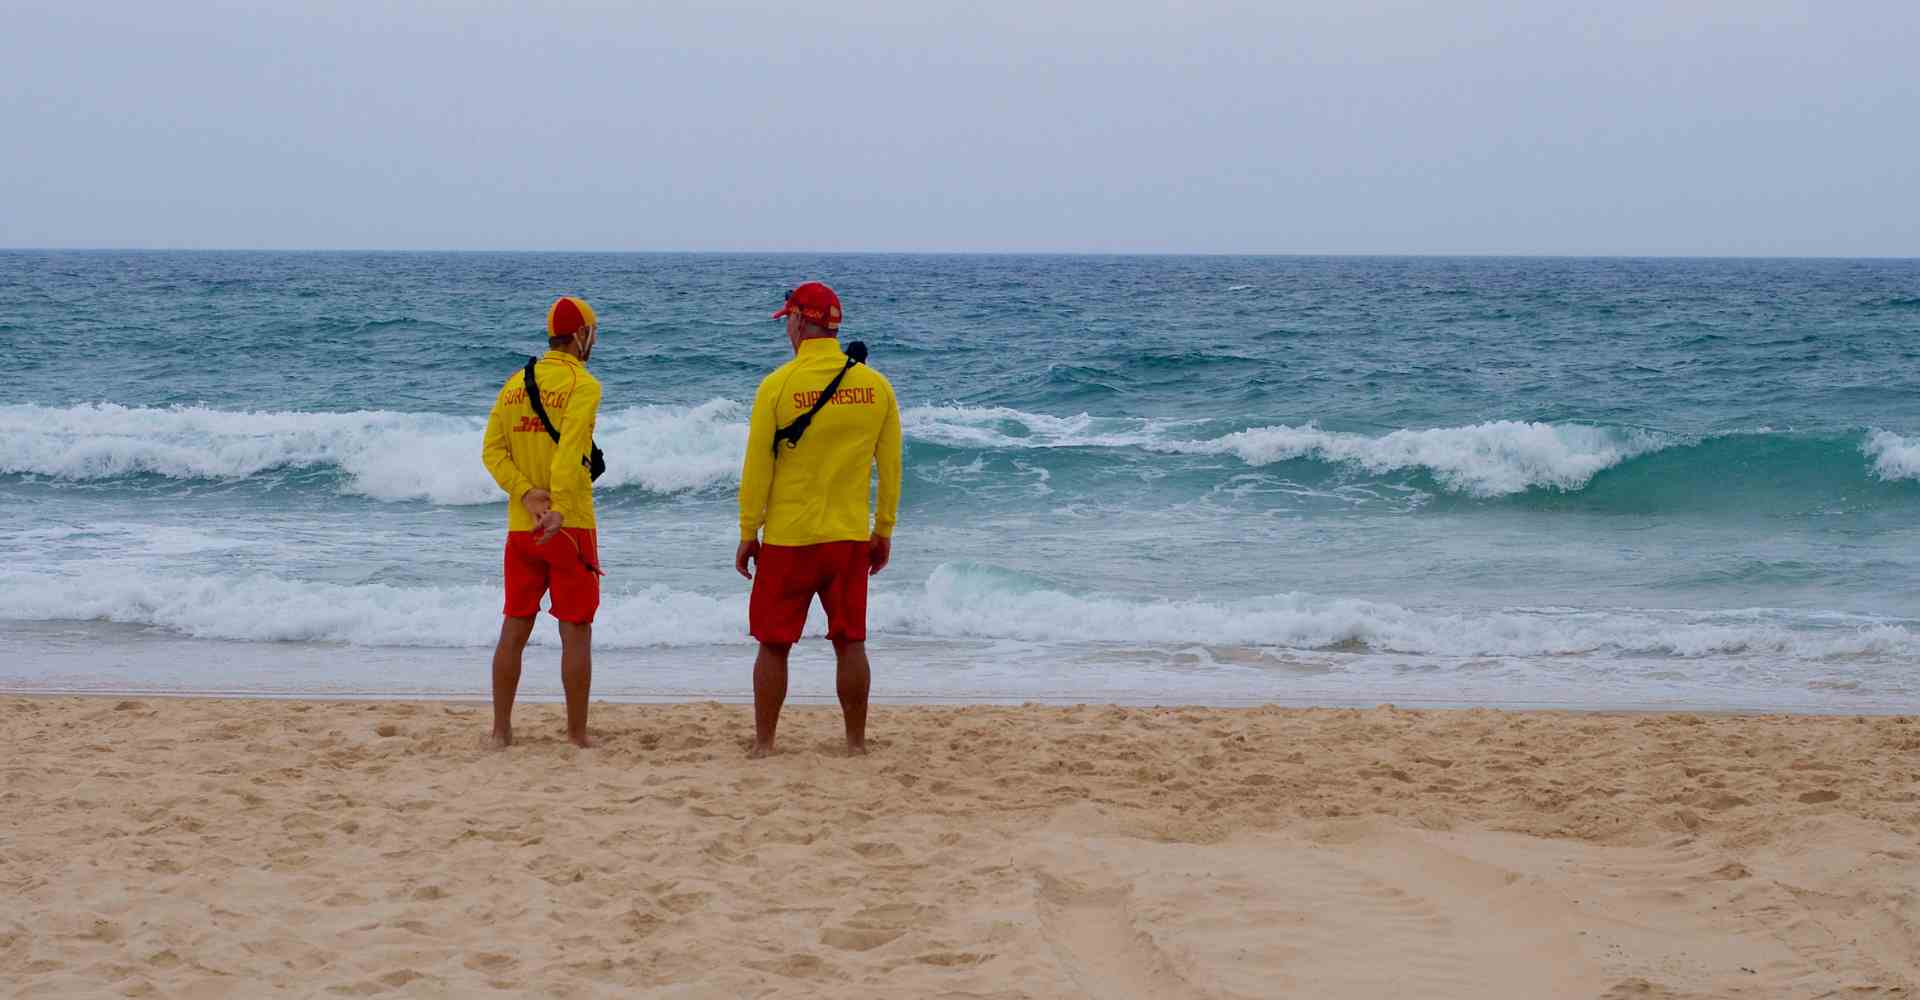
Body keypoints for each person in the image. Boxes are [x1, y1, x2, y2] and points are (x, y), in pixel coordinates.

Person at [736, 282, 902, 758]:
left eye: (787, 319)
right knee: (850, 641)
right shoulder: (876, 387)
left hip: (790, 539)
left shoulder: (777, 385)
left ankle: (765, 744)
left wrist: (749, 531)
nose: (786, 328)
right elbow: (890, 469)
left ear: (800, 322)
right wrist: (883, 530)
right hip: (848, 538)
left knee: (773, 644)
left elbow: (757, 469)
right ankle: (854, 744)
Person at [480, 295, 605, 749]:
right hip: (568, 526)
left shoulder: (515, 382)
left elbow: (491, 450)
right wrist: (558, 510)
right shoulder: (584, 384)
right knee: (575, 628)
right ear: (579, 337)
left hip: (521, 527)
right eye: (593, 333)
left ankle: (500, 732)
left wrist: (526, 493)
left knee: (515, 625)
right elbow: (571, 453)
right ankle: (575, 734)